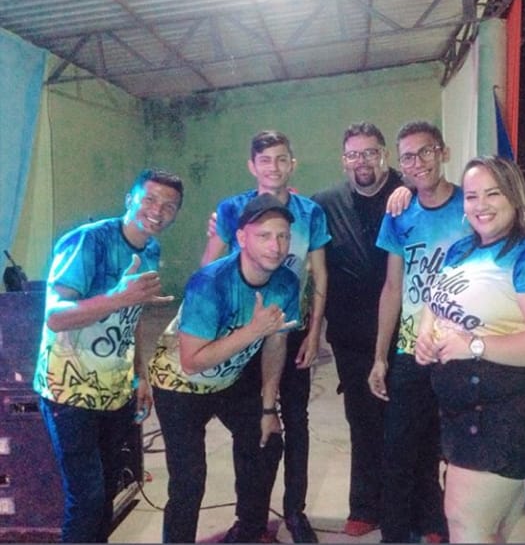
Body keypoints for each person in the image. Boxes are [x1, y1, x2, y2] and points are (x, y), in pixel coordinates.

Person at [414, 155, 525, 542]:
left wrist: (473, 345)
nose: (480, 205)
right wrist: (425, 336)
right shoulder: (461, 250)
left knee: (465, 520)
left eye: (493, 194)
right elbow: (433, 305)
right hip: (466, 410)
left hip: (507, 411)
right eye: (472, 196)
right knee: (507, 518)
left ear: (515, 196)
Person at [34, 168, 184, 542]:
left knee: (105, 495)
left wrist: (140, 375)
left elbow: (132, 317)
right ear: (129, 199)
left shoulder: (150, 249)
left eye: (169, 206)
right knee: (86, 499)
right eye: (150, 199)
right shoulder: (88, 241)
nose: (158, 210)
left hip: (115, 391)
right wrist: (119, 296)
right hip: (69, 391)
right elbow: (55, 316)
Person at [200, 130, 330, 543]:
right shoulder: (232, 209)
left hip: (291, 330)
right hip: (243, 333)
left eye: (281, 159)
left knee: (297, 421)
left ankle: (295, 512)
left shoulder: (310, 212)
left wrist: (314, 333)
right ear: (252, 166)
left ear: (293, 163)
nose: (274, 167)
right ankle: (248, 518)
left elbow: (319, 273)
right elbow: (209, 266)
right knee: (249, 427)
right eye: (265, 160)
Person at [149, 193, 300, 543]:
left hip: (230, 380)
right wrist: (253, 331)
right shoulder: (210, 282)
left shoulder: (286, 282)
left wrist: (268, 409)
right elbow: (191, 361)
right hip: (178, 386)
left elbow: (276, 344)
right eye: (264, 236)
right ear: (242, 238)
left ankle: (248, 531)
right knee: (188, 479)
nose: (276, 246)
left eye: (283, 236)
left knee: (265, 443)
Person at [370, 120, 466, 543]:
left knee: (455, 452)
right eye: (408, 157)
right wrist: (380, 357)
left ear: (443, 152)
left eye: (426, 151)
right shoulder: (398, 213)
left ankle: (440, 526)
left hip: (462, 352)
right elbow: (393, 287)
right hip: (410, 352)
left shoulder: (471, 205)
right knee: (399, 450)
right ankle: (396, 534)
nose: (418, 162)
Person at [311, 121, 405, 537]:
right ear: (343, 159)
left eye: (370, 152)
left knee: (410, 425)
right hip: (350, 338)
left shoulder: (407, 193)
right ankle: (365, 506)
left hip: (405, 334)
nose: (362, 161)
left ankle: (417, 511)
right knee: (363, 423)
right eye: (354, 154)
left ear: (384, 155)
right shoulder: (325, 203)